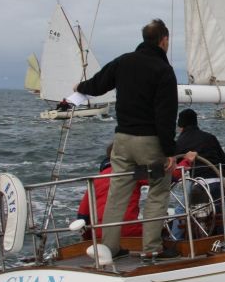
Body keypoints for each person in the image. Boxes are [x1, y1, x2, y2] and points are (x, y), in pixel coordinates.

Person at [75, 18, 179, 259]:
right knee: (158, 191)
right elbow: (166, 114)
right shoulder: (163, 71)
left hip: (122, 140)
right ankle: (151, 248)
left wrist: (80, 86)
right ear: (164, 41)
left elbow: (98, 84)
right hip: (150, 142)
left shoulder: (123, 61)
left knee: (117, 193)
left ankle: (110, 248)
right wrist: (170, 150)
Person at [76, 144, 145, 240]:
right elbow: (163, 178)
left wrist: (89, 239)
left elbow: (82, 215)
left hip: (100, 236)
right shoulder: (134, 172)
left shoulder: (95, 180)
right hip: (130, 232)